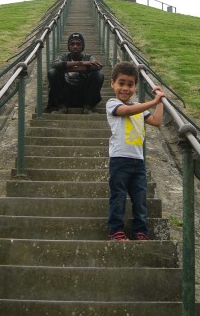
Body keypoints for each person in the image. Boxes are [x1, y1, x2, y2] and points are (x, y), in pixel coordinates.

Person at [106, 61, 166, 241]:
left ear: (135, 86)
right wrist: (152, 101)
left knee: (140, 198)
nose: (125, 88)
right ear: (112, 83)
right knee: (118, 196)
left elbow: (156, 121)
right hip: (119, 160)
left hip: (138, 161)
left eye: (130, 84)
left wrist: (160, 100)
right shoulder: (112, 103)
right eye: (121, 83)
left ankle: (141, 231)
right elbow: (127, 111)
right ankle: (116, 230)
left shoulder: (139, 108)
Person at [47, 32, 104, 114]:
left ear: (82, 46)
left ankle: (88, 107)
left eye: (78, 44)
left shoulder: (89, 57)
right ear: (68, 46)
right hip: (66, 93)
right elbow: (54, 64)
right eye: (72, 44)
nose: (75, 46)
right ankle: (61, 106)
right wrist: (82, 63)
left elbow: (97, 66)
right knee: (52, 72)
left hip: (83, 94)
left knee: (99, 74)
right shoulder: (63, 57)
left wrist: (66, 67)